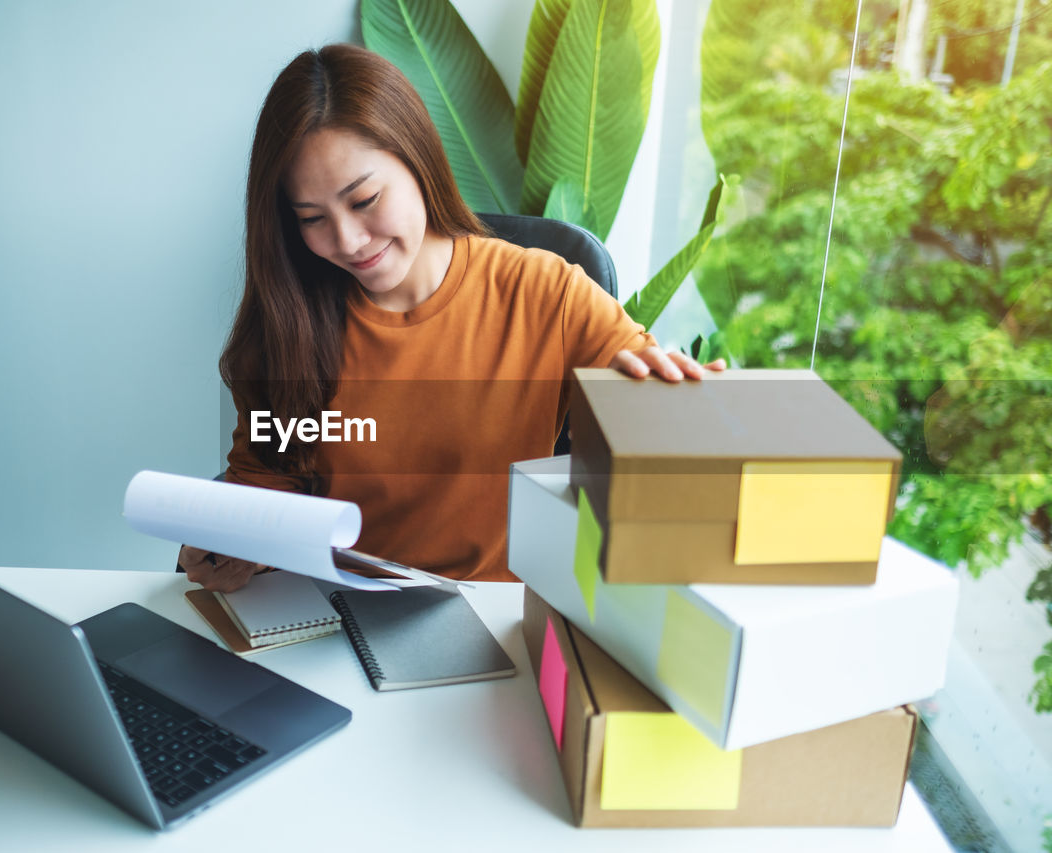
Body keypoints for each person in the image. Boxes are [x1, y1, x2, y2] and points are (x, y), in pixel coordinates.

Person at [180, 44, 723, 591]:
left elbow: (636, 415)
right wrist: (230, 543)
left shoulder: (546, 292)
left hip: (492, 618)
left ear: (418, 160)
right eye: (313, 218)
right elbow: (269, 477)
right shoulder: (291, 316)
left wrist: (662, 403)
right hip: (333, 609)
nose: (346, 240)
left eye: (364, 200)